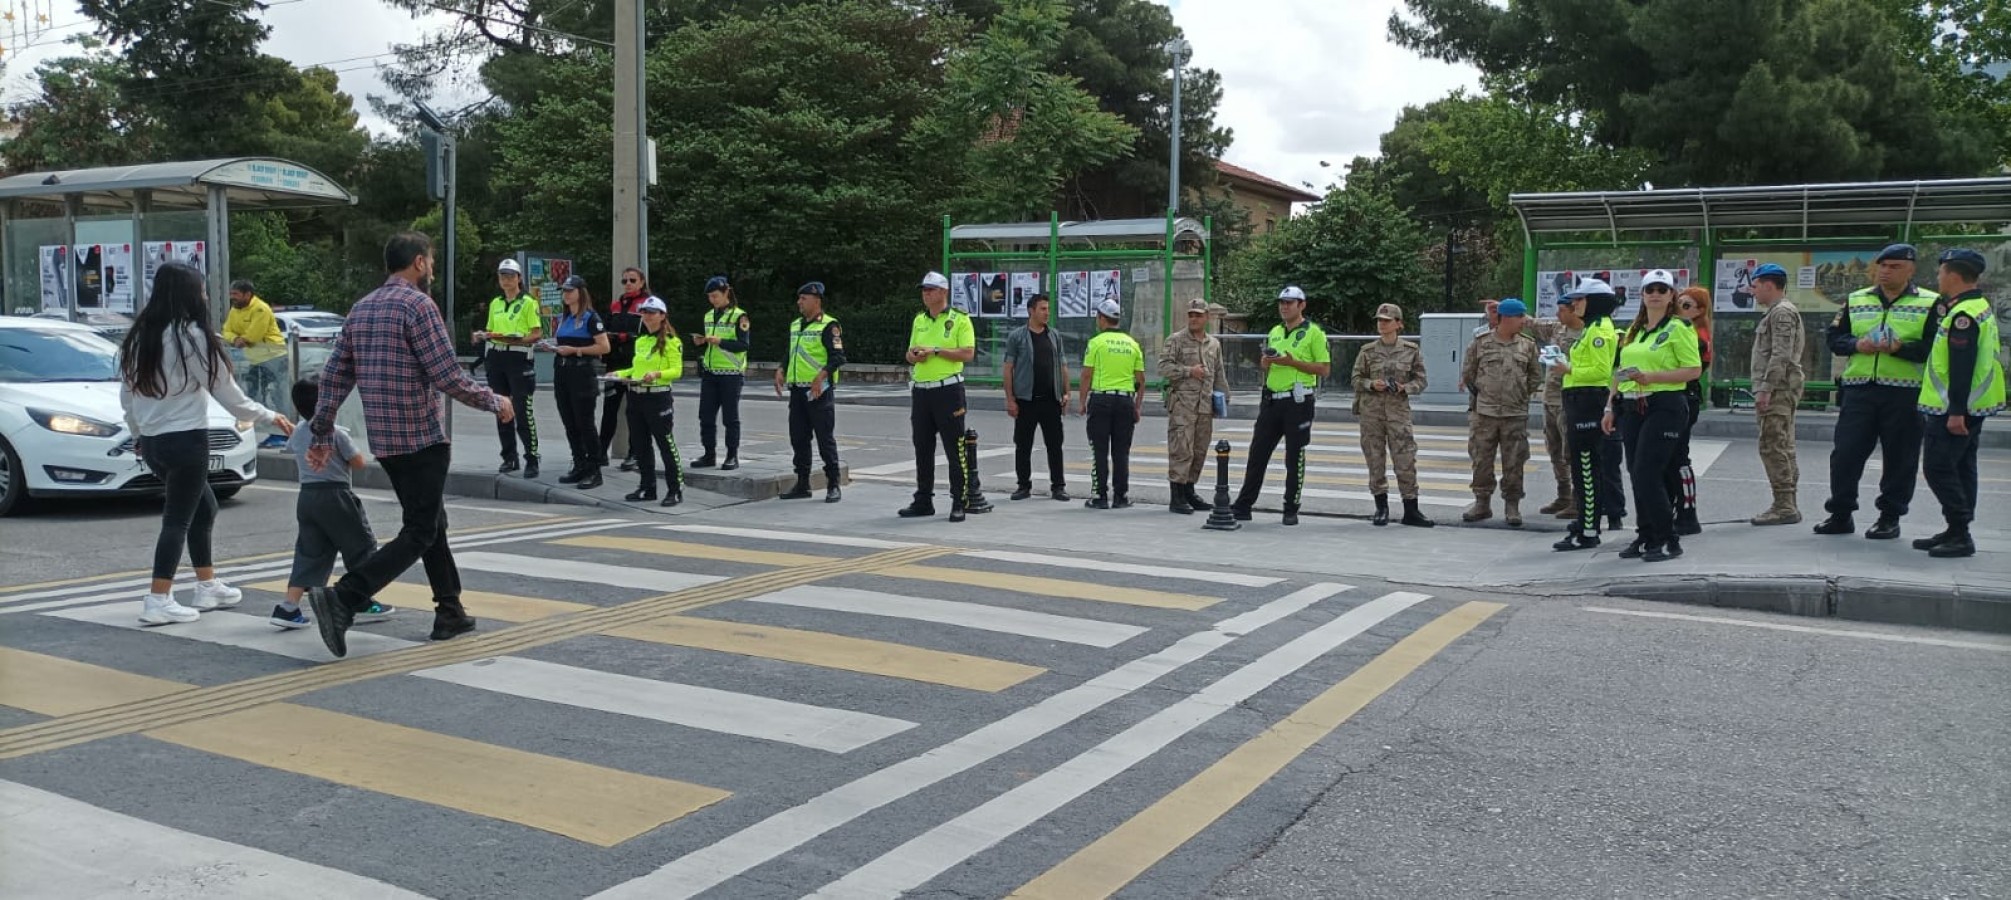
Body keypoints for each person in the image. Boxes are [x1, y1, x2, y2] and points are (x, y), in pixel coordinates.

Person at [303, 232, 512, 657]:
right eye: (430, 261)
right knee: (420, 529)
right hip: (421, 436)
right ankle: (345, 596)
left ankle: (450, 610)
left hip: (387, 441)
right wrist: (494, 401)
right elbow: (446, 375)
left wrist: (321, 432)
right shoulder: (418, 305)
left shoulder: (360, 309)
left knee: (432, 521)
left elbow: (334, 378)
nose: (432, 268)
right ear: (418, 263)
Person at [119, 262, 293, 626]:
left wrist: (138, 435)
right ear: (188, 294)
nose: (205, 296)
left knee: (204, 508)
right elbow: (225, 391)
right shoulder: (192, 336)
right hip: (186, 440)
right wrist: (268, 416)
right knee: (177, 520)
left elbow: (127, 395)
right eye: (201, 289)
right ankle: (158, 598)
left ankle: (207, 585)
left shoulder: (140, 336)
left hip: (153, 442)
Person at [1816, 243, 1939, 540]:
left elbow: (1932, 348)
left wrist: (1899, 349)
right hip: (1859, 389)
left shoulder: (1930, 302)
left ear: (1911, 269)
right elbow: (1835, 337)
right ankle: (1841, 513)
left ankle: (1889, 516)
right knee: (1846, 454)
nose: (1885, 271)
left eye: (1894, 266)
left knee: (1900, 457)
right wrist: (1856, 345)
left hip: (1905, 393)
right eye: (1882, 265)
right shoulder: (1856, 299)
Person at [272, 376, 395, 630]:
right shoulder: (336, 433)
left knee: (309, 553)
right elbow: (358, 462)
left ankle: (288, 608)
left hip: (306, 497)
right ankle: (361, 601)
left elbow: (292, 449)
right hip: (337, 495)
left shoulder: (298, 432)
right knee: (360, 545)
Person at [1604, 271, 1702, 562]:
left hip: (1665, 404)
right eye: (1650, 289)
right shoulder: (1635, 330)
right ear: (1642, 294)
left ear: (1672, 295)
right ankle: (1646, 534)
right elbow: (1620, 371)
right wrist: (1610, 406)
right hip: (1632, 405)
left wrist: (1652, 377)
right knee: (1636, 472)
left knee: (1649, 471)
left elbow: (1692, 370)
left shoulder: (1679, 327)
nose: (1655, 294)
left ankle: (1667, 537)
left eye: (1662, 289)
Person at [1914, 249, 2004, 558]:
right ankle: (1956, 530)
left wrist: (1955, 412)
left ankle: (1961, 531)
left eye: (1941, 272)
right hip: (1973, 406)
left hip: (1955, 409)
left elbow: (1961, 366)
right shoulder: (1977, 307)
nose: (1938, 277)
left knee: (1937, 468)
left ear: (1952, 274)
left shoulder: (1962, 315)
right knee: (1963, 467)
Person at [1231, 286, 1330, 527]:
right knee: (1257, 454)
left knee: (1294, 456)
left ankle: (1290, 507)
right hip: (1272, 399)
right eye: (1282, 303)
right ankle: (1244, 504)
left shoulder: (1313, 333)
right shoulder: (1275, 331)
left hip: (1298, 401)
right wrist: (1266, 362)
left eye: (1290, 302)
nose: (1284, 307)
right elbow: (1267, 365)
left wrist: (1292, 363)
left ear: (1301, 305)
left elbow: (1324, 369)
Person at [899, 272, 977, 522]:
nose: (926, 294)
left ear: (943, 292)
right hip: (922, 390)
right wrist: (914, 356)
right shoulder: (919, 320)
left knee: (955, 447)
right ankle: (923, 498)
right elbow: (909, 353)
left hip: (948, 390)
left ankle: (958, 500)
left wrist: (936, 350)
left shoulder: (959, 319)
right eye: (924, 290)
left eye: (931, 290)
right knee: (922, 446)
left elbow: (967, 353)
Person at [1459, 298, 1544, 526]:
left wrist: (1517, 395)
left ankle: (1512, 505)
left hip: (1514, 414)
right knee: (1481, 460)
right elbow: (1468, 374)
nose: (1524, 321)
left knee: (1515, 462)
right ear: (1506, 317)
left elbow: (1535, 377)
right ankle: (1482, 503)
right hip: (1484, 414)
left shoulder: (1528, 345)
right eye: (1521, 317)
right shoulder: (1480, 343)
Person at [1551, 278, 1622, 551]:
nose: (1575, 304)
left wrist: (1568, 371)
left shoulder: (1600, 331)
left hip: (1588, 402)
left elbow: (1602, 372)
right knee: (1582, 469)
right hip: (1579, 400)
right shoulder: (1592, 328)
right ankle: (1583, 524)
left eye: (1580, 300)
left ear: (1595, 302)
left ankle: (1588, 529)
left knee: (1586, 468)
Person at [1352, 302, 1433, 527]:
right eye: (1379, 320)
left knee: (1405, 459)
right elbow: (1356, 379)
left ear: (1398, 324)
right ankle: (1381, 507)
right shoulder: (1367, 351)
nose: (1382, 324)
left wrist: (1404, 387)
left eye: (1387, 321)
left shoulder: (1411, 350)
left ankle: (1411, 509)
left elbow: (1421, 380)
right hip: (1372, 413)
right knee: (1375, 460)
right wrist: (1371, 384)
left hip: (1398, 413)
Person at [776, 281, 845, 503]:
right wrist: (781, 368)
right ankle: (802, 483)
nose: (799, 302)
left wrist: (821, 376)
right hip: (798, 390)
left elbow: (838, 358)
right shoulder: (796, 325)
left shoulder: (829, 325)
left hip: (819, 391)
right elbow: (791, 352)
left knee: (825, 439)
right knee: (799, 438)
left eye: (803, 299)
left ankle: (833, 484)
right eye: (799, 298)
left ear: (817, 300)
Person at [1157, 297, 1227, 514]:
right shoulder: (1176, 340)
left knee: (1199, 450)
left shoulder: (1213, 344)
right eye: (1191, 315)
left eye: (1198, 315)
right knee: (1181, 450)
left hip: (1205, 406)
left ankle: (1189, 490)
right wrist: (1189, 371)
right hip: (1183, 406)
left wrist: (1223, 398)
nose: (1194, 318)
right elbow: (1163, 368)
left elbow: (1219, 373)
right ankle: (1176, 496)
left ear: (1206, 317)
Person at [1747, 263, 1805, 525]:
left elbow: (1780, 354)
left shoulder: (1781, 313)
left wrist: (1766, 389)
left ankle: (1784, 506)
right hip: (1780, 387)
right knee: (1783, 444)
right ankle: (1787, 502)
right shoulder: (1777, 312)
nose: (1752, 290)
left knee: (1773, 444)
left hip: (1778, 388)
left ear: (1769, 285)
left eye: (1756, 285)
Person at [614, 297, 686, 506]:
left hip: (657, 396)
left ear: (662, 316)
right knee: (640, 444)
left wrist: (656, 374)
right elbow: (636, 369)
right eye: (644, 312)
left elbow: (677, 371)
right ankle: (647, 486)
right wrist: (618, 373)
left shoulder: (672, 341)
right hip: (636, 395)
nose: (647, 316)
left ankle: (675, 488)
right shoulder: (641, 340)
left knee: (665, 443)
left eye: (652, 312)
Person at [476, 258, 543, 478]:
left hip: (519, 357)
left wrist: (519, 340)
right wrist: (482, 336)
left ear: (519, 278)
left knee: (523, 410)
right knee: (501, 408)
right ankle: (509, 456)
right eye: (503, 276)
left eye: (510, 276)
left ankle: (531, 458)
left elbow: (536, 333)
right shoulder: (495, 303)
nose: (506, 280)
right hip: (496, 357)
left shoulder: (528, 302)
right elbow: (491, 330)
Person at [1076, 298, 1145, 509]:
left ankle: (1100, 496)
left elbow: (1087, 375)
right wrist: (1137, 406)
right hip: (1125, 400)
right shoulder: (1132, 344)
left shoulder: (1096, 343)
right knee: (1121, 452)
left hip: (1101, 399)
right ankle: (1121, 496)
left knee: (1099, 449)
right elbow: (1141, 379)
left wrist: (1082, 401)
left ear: (1101, 318)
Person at [1003, 293, 1072, 502]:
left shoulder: (1054, 335)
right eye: (1042, 309)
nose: (1047, 313)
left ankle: (1058, 487)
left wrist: (1066, 392)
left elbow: (1063, 365)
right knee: (1023, 445)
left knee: (1055, 444)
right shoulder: (1017, 336)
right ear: (1031, 311)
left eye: (1048, 309)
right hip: (1026, 400)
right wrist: (1010, 399)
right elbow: (1008, 369)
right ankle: (1023, 485)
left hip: (1050, 400)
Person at [548, 274, 608, 489]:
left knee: (585, 424)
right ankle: (579, 463)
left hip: (582, 374)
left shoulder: (591, 318)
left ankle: (594, 469)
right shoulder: (565, 317)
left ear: (580, 293)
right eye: (564, 291)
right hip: (563, 372)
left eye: (570, 291)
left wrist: (576, 350)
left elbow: (604, 347)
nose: (566, 295)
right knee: (570, 423)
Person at [1528, 301, 1584, 518]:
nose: (1557, 314)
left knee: (1571, 452)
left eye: (1562, 310)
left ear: (1574, 311)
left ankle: (1578, 500)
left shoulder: (1587, 333)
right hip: (1550, 397)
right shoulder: (1557, 328)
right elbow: (1532, 324)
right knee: (1555, 450)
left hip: (1570, 398)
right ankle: (1564, 495)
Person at [1670, 283, 1714, 534]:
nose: (1679, 309)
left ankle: (1688, 511)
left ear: (1699, 310)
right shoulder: (1682, 330)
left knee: (1678, 456)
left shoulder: (1698, 337)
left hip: (1686, 396)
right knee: (1669, 457)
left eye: (1686, 305)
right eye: (1678, 303)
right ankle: (1675, 508)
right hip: (1676, 396)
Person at [691, 275, 749, 471]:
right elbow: (711, 341)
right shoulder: (708, 315)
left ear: (726, 293)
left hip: (731, 373)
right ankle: (709, 454)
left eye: (715, 296)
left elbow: (743, 345)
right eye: (710, 297)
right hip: (710, 371)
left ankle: (732, 456)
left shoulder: (739, 316)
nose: (712, 300)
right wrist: (702, 341)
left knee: (730, 417)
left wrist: (720, 342)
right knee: (705, 416)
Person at [222, 278, 287, 442]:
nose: (232, 297)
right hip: (255, 359)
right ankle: (250, 431)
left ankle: (283, 433)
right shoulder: (235, 309)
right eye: (231, 294)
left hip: (274, 358)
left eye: (236, 294)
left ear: (247, 294)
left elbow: (253, 336)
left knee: (278, 396)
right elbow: (226, 331)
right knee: (251, 394)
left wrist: (240, 339)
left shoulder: (261, 309)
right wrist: (236, 338)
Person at [600, 267, 652, 473]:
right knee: (609, 410)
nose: (628, 284)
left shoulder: (647, 304)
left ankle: (634, 453)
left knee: (634, 411)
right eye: (624, 281)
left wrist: (627, 337)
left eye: (632, 280)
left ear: (641, 282)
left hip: (635, 364)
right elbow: (604, 328)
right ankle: (600, 451)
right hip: (614, 363)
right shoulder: (616, 304)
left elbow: (650, 333)